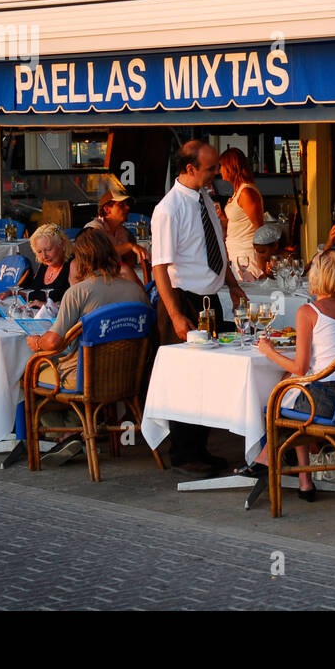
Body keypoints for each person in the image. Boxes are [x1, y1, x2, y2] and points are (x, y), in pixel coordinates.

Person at [151, 139, 248, 475]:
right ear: (190, 168)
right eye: (209, 169)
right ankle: (183, 452)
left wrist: (233, 284)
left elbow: (217, 246)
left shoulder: (205, 197)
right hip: (183, 299)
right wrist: (176, 314)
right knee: (184, 379)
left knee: (208, 377)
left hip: (210, 300)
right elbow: (159, 267)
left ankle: (200, 448)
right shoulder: (168, 208)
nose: (215, 174)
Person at [246, 249, 335, 499]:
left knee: (275, 398)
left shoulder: (309, 312)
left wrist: (268, 351)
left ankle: (267, 457)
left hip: (323, 403)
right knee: (288, 386)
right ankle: (303, 478)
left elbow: (300, 367)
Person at [26, 228, 151, 463]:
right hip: (129, 375)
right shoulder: (135, 290)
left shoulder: (78, 292)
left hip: (87, 376)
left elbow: (53, 342)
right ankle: (77, 432)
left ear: (80, 259)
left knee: (28, 373)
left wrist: (36, 341)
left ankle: (70, 433)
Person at [219, 147, 265, 277]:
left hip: (246, 256)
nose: (220, 169)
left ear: (231, 167)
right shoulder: (238, 192)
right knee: (239, 296)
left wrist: (262, 260)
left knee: (247, 296)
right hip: (235, 253)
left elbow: (259, 230)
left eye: (222, 166)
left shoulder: (246, 193)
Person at [83, 188, 149, 276]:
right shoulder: (93, 228)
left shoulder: (123, 231)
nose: (127, 207)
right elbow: (98, 253)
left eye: (127, 204)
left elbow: (129, 261)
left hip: (115, 280)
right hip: (96, 280)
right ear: (107, 209)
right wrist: (130, 246)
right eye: (121, 205)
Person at [18, 223, 73, 305]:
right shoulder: (44, 265)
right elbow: (33, 294)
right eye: (39, 252)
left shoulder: (73, 266)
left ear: (62, 245)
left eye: (48, 249)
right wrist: (13, 294)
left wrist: (46, 306)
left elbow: (76, 303)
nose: (44, 256)